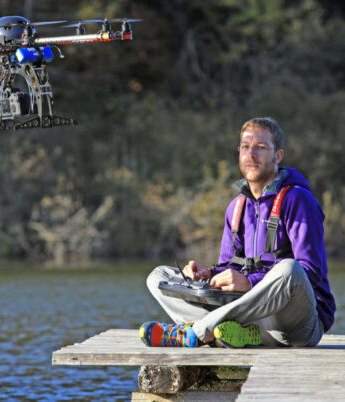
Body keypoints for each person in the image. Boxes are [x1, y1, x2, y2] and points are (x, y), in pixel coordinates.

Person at [140, 117, 335, 348]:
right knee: (159, 276)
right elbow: (230, 267)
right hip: (251, 320)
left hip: (296, 328)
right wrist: (206, 275)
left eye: (261, 148)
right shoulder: (236, 207)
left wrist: (250, 282)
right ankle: (227, 332)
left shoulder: (298, 199)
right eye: (245, 147)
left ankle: (198, 330)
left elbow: (310, 272)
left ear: (278, 156)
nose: (251, 154)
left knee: (290, 269)